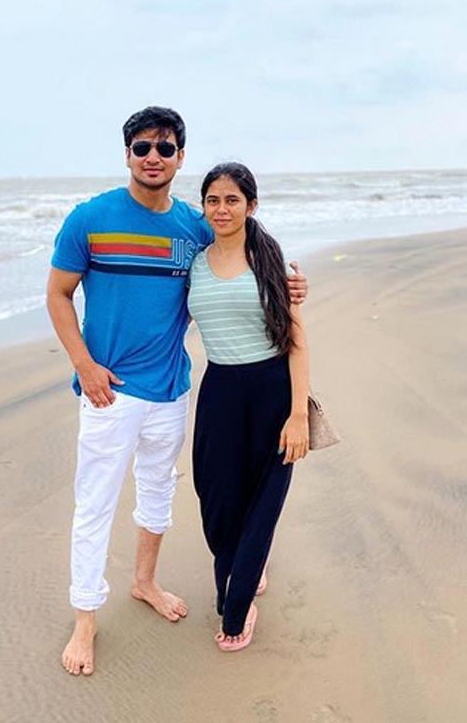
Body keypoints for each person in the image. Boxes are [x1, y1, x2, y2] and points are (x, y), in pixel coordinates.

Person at [47, 108, 308, 676]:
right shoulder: (90, 220)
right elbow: (58, 294)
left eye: (165, 148)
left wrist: (291, 285)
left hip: (171, 390)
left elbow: (242, 254)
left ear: (180, 157)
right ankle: (85, 619)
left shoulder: (194, 226)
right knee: (94, 504)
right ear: (127, 154)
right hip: (109, 392)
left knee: (158, 493)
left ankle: (145, 582)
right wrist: (84, 365)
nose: (153, 157)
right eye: (142, 147)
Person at [188, 162, 310, 651]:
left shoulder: (270, 264)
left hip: (271, 391)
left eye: (232, 200)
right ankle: (244, 566)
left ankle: (236, 608)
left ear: (251, 206)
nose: (222, 209)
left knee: (262, 498)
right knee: (217, 499)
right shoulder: (195, 263)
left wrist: (298, 415)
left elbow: (296, 343)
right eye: (213, 200)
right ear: (203, 207)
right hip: (219, 390)